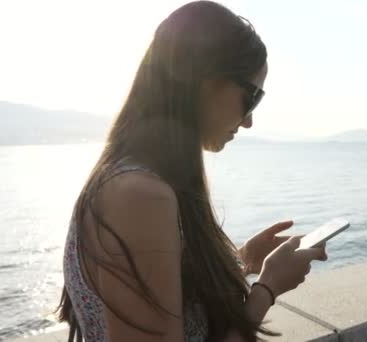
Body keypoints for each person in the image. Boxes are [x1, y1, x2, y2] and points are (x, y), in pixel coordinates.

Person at [55, 1, 328, 341]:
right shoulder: (139, 196)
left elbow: (165, 298)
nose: (249, 120)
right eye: (251, 97)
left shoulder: (129, 182)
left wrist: (240, 261)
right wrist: (267, 289)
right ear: (205, 81)